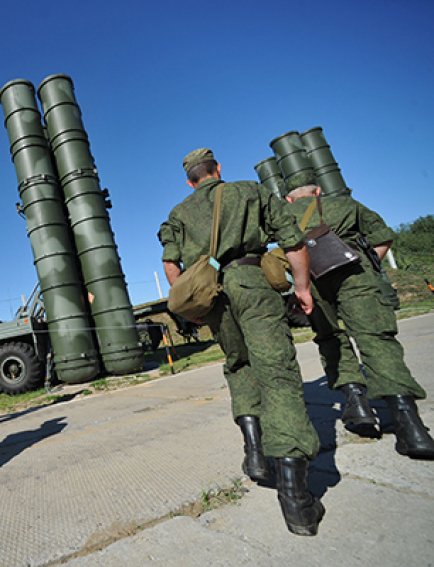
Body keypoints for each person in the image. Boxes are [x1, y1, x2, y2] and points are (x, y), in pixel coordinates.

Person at [159, 149, 324, 536]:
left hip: (214, 298)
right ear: (217, 169)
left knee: (239, 365)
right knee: (277, 373)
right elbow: (293, 241)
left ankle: (255, 455)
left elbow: (171, 265)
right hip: (252, 282)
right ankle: (296, 500)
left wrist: (194, 307)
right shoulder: (249, 191)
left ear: (190, 180)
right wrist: (302, 287)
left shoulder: (179, 213)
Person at [284, 180, 434, 458]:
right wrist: (366, 263)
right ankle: (411, 429)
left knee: (330, 338)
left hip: (311, 281)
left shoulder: (284, 216)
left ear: (289, 199)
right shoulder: (345, 203)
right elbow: (382, 236)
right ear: (317, 191)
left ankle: (357, 406)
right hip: (355, 273)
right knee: (376, 339)